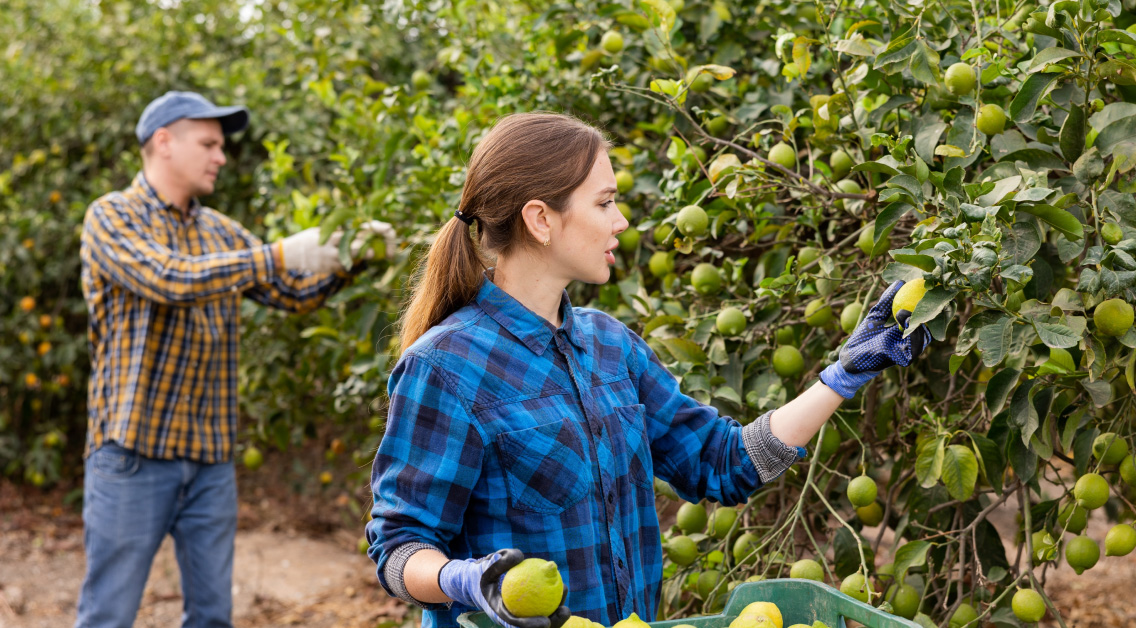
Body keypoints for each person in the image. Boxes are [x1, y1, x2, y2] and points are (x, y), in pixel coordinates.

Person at [366, 112, 930, 628]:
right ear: (540, 218)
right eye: (605, 202)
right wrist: (465, 580)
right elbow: (399, 550)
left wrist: (842, 376)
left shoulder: (611, 347)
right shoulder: (446, 368)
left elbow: (723, 462)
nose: (622, 220)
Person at [75, 90, 397, 628]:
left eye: (220, 146)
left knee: (213, 617)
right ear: (163, 142)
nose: (220, 157)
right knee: (109, 614)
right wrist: (275, 254)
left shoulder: (221, 231)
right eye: (208, 144)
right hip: (132, 454)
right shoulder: (110, 216)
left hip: (209, 459)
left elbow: (293, 292)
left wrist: (350, 256)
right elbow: (168, 277)